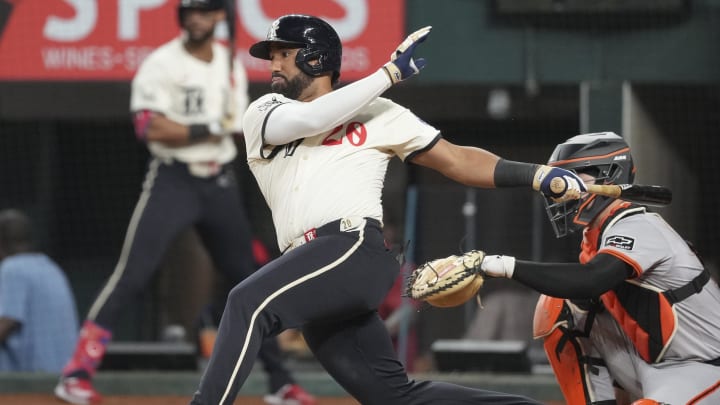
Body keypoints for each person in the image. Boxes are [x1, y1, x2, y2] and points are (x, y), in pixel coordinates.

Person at [187, 14, 587, 405]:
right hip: (308, 267)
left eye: (282, 53)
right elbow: (314, 117)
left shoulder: (380, 113)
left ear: (315, 57)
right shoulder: (265, 111)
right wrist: (388, 75)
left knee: (247, 302)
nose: (271, 63)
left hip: (350, 248)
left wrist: (536, 175)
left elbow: (457, 160)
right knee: (391, 396)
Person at [54, 2, 315, 404]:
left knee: (249, 279)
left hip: (219, 181)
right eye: (189, 10)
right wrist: (208, 127)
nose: (196, 17)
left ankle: (281, 382)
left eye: (205, 11)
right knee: (133, 274)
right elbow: (148, 126)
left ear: (217, 17)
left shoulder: (227, 61)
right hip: (174, 178)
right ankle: (76, 374)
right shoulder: (162, 64)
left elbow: (236, 125)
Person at [477, 132, 720, 404]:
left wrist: (502, 265)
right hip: (652, 363)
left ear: (609, 176)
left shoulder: (639, 225)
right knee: (559, 304)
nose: (558, 190)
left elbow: (592, 279)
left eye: (573, 178)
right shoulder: (595, 235)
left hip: (704, 367)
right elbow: (579, 290)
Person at [0, 209, 79, 372]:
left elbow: (6, 324)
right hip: (66, 374)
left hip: (35, 379)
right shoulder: (51, 267)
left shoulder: (12, 267)